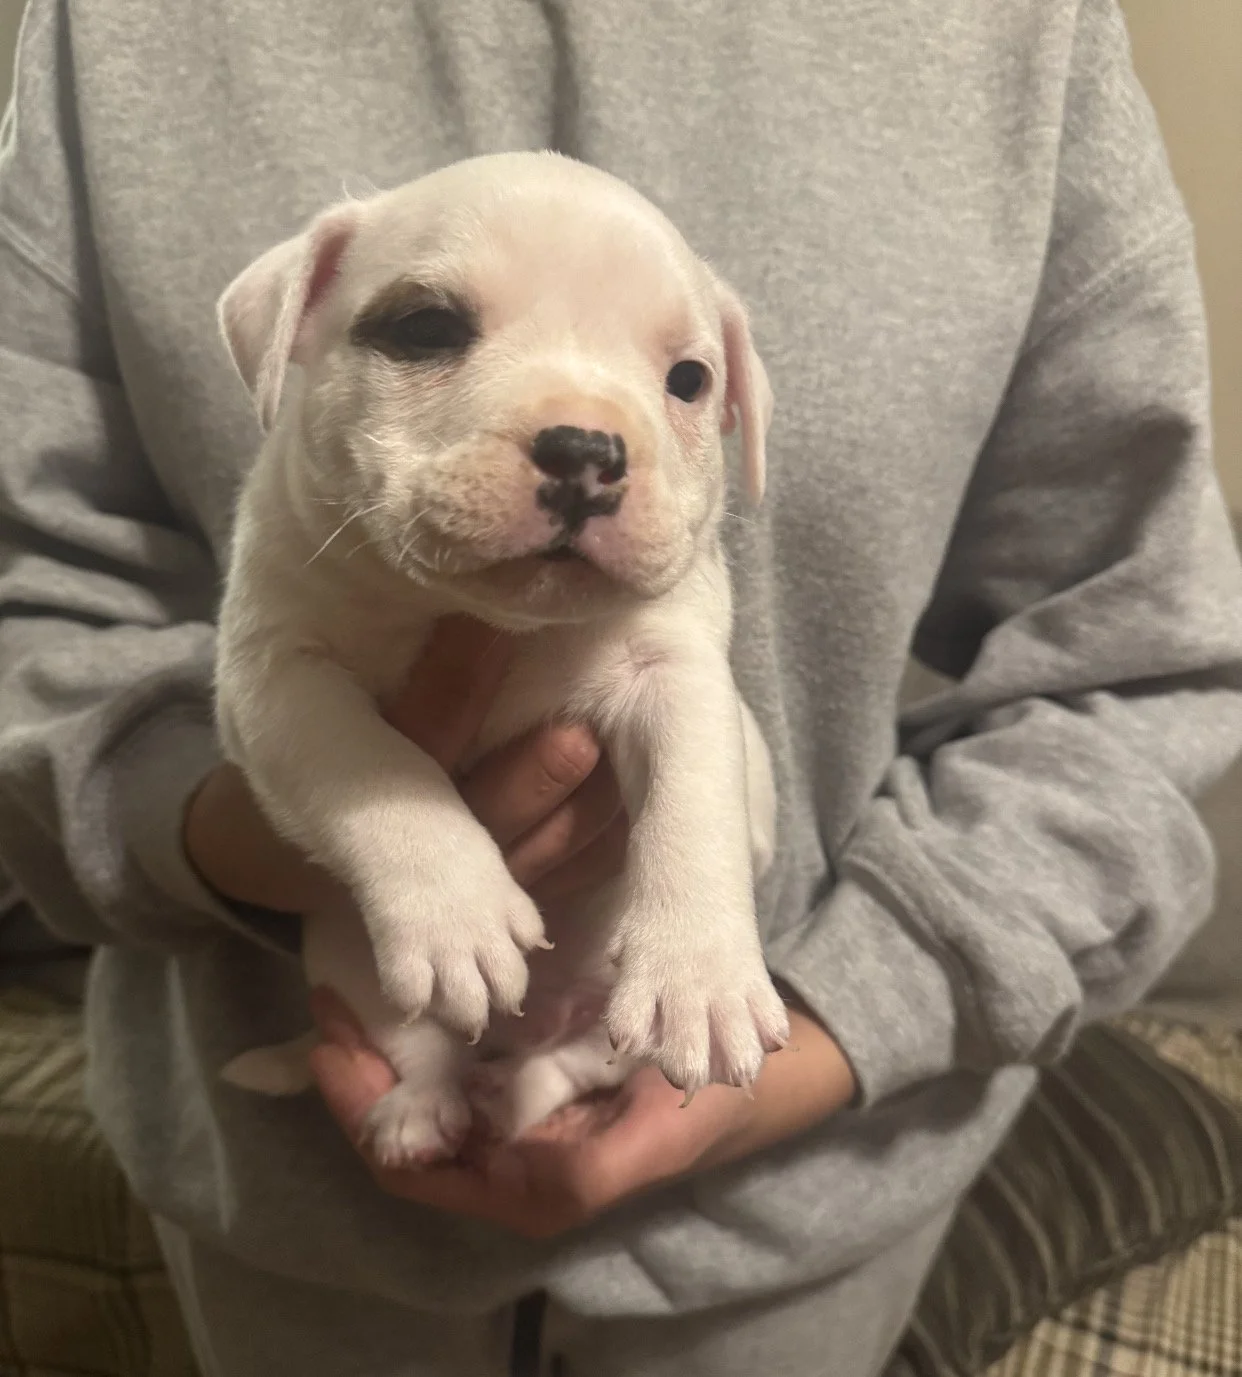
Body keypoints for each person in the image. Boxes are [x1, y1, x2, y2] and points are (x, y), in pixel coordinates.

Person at [1, 1, 1240, 1373]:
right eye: (431, 330)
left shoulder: (1024, 36)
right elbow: (62, 609)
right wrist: (300, 832)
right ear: (287, 330)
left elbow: (1137, 661)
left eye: (682, 378)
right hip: (295, 1211)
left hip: (785, 1218)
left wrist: (823, 1021)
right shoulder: (110, 31)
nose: (585, 446)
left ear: (737, 406)